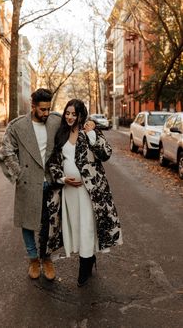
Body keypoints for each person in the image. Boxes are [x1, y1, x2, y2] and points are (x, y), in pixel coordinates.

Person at [48, 99, 123, 287]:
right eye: (67, 113)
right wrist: (63, 179)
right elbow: (54, 163)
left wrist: (91, 135)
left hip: (91, 191)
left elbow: (106, 154)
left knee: (87, 226)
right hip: (70, 191)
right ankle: (88, 259)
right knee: (76, 226)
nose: (70, 117)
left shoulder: (90, 132)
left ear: (81, 114)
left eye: (74, 114)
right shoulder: (62, 134)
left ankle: (85, 265)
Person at [0, 88, 62, 281]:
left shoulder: (55, 121)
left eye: (48, 109)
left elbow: (74, 124)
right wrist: (18, 174)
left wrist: (88, 123)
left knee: (49, 223)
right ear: (32, 107)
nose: (46, 113)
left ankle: (47, 258)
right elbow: (5, 150)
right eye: (42, 110)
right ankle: (33, 258)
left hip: (50, 181)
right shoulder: (17, 126)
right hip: (28, 180)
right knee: (27, 222)